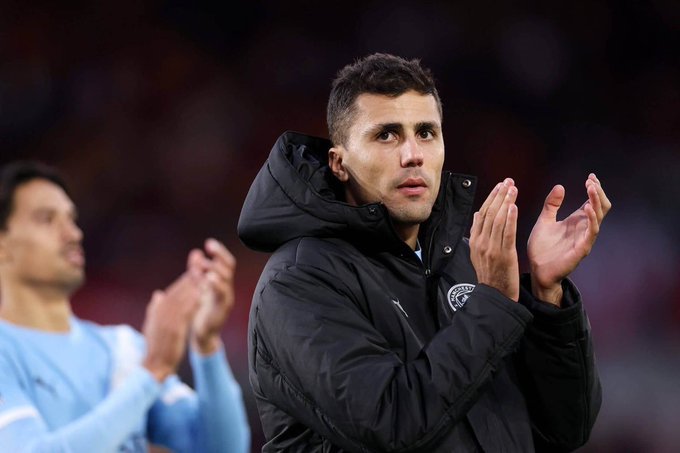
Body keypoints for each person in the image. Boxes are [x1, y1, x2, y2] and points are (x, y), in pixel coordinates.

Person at [238, 53, 610, 452]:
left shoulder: (466, 262)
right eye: (387, 135)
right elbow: (393, 424)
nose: (413, 154)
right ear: (339, 163)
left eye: (426, 133)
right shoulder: (298, 282)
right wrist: (494, 305)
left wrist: (548, 296)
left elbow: (564, 429)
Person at [0, 160, 250, 453]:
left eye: (72, 219)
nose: (73, 234)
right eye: (47, 219)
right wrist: (150, 373)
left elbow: (223, 449)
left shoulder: (123, 348)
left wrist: (206, 345)